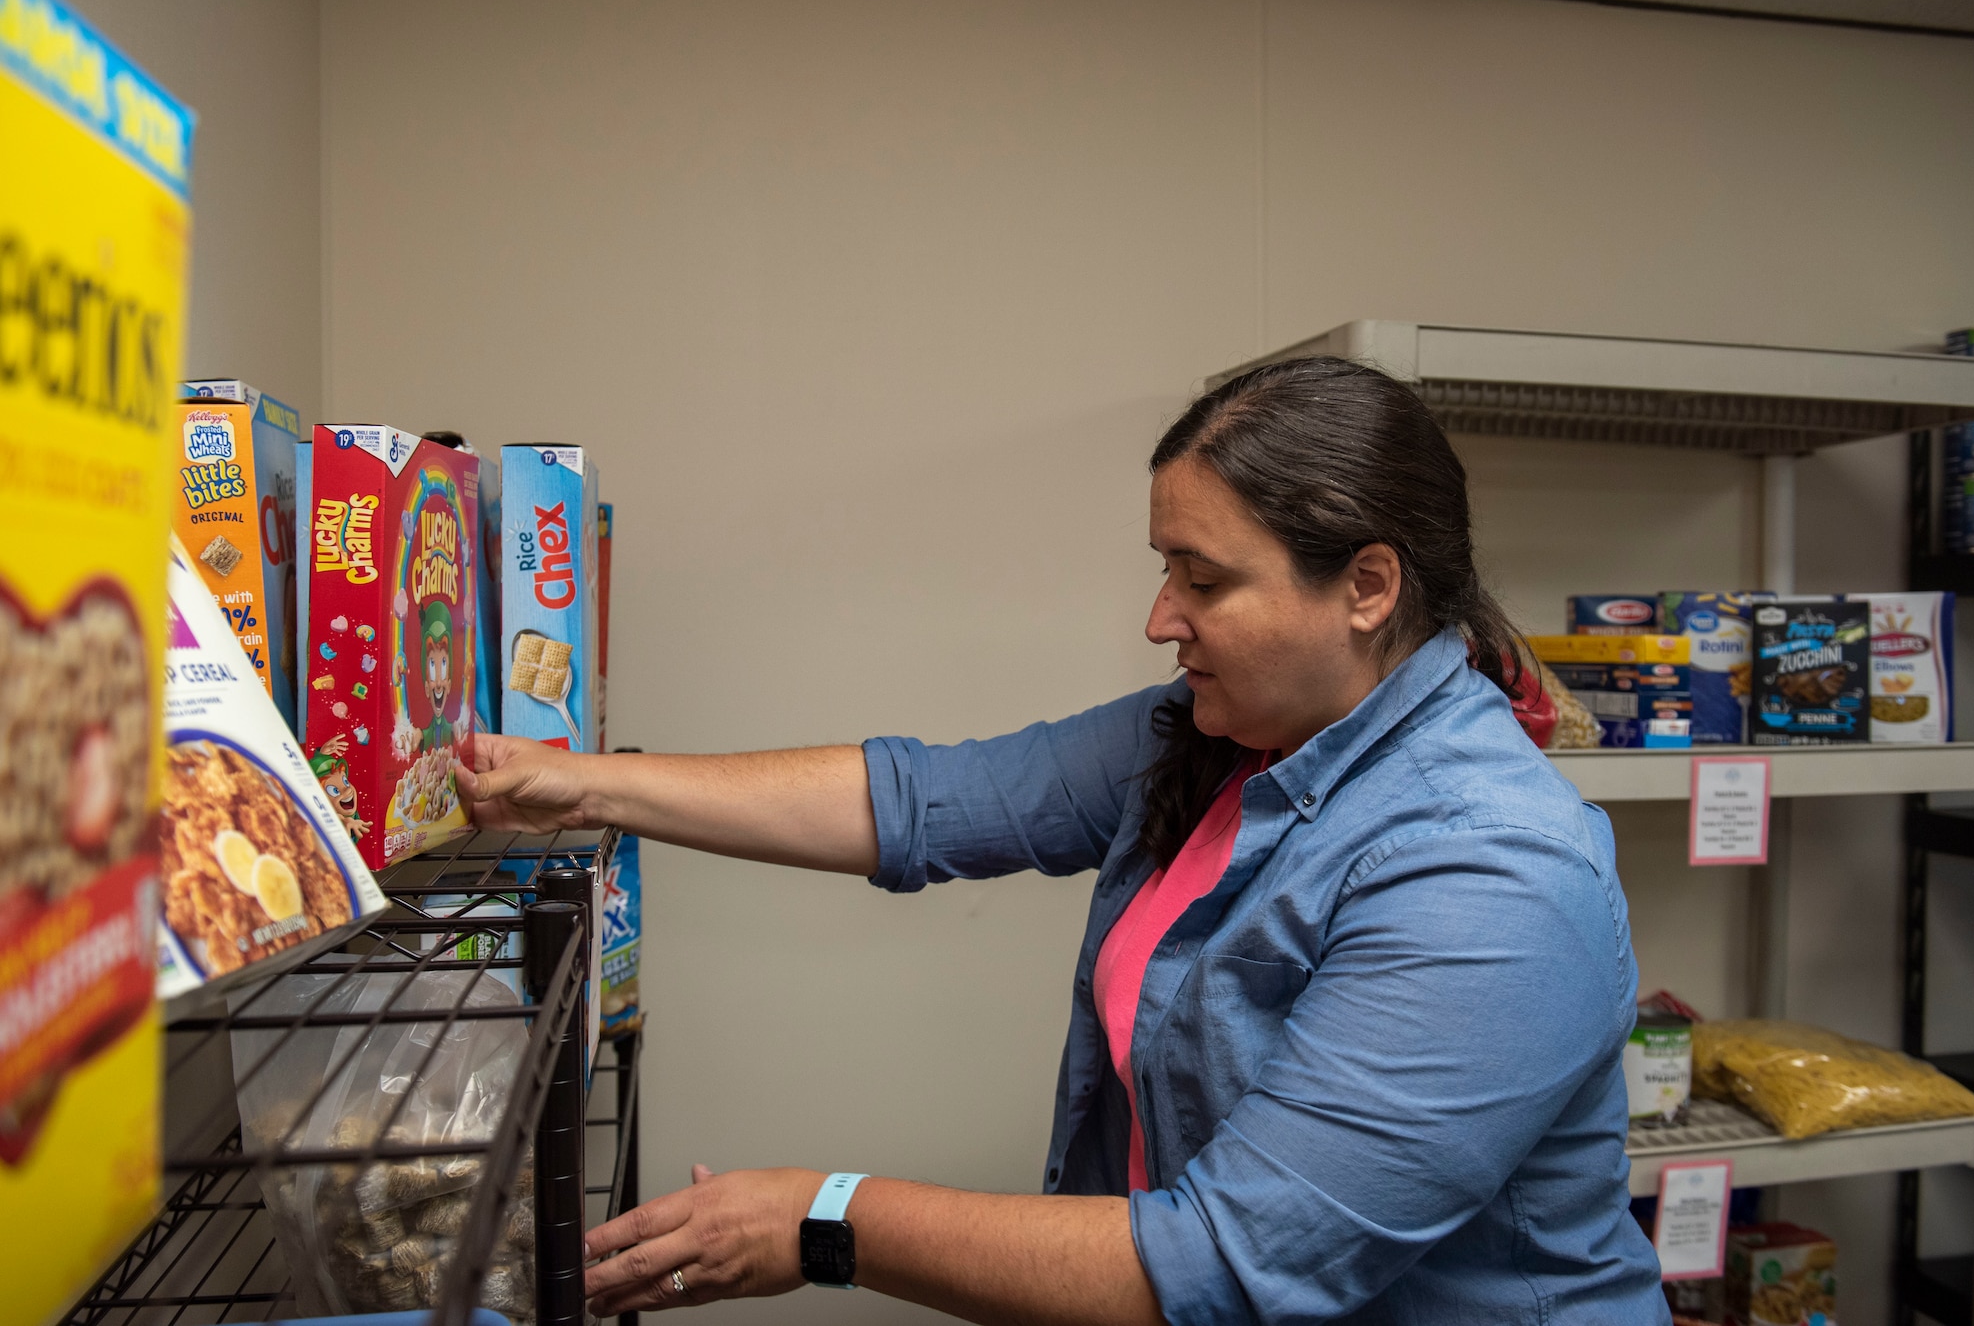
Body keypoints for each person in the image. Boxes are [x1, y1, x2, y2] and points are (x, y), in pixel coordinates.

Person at [455, 356, 1668, 1323]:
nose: (1159, 619)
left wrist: (823, 1221)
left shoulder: (1489, 874)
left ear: (1365, 586)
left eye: (1202, 579)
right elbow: (923, 802)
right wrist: (584, 787)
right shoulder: (1221, 736)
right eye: (1162, 569)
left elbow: (1225, 1266)